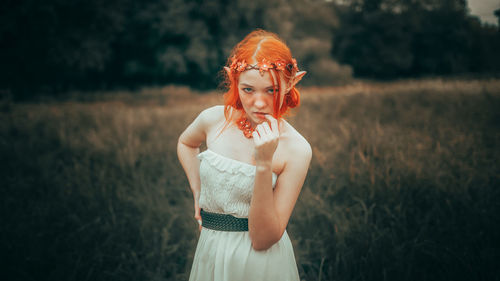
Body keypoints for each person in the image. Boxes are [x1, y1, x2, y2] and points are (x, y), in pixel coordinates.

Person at [177, 29, 312, 281]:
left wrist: (263, 163)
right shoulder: (214, 119)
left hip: (260, 264)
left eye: (271, 90)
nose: (259, 103)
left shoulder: (297, 149)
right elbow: (186, 143)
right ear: (232, 79)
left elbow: (263, 240)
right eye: (248, 90)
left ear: (291, 82)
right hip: (210, 252)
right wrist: (198, 191)